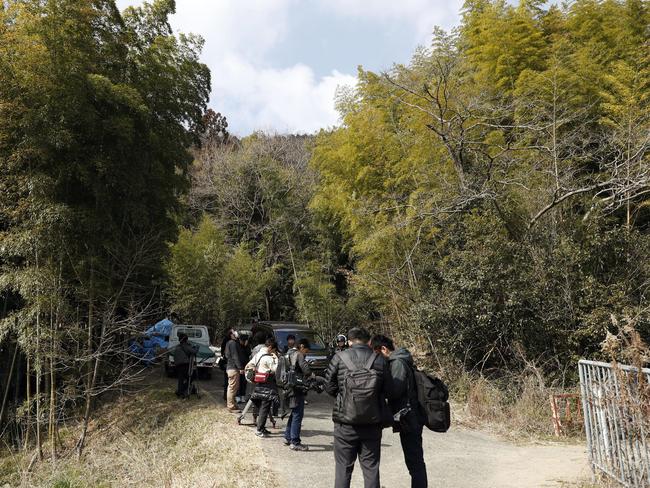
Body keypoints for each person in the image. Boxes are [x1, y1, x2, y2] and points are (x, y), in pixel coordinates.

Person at [325, 327, 387, 488]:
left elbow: (329, 387)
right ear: (368, 341)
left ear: (350, 341)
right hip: (372, 422)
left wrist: (346, 397)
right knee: (371, 469)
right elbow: (388, 389)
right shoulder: (379, 359)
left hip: (345, 423)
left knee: (343, 469)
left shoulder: (339, 357)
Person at [371, 334, 427, 488]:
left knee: (414, 460)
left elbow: (395, 391)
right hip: (411, 415)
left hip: (410, 417)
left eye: (376, 353)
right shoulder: (401, 359)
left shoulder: (397, 363)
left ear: (383, 349)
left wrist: (380, 388)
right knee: (414, 459)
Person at [283, 338, 313, 451]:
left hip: (288, 386)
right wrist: (311, 373)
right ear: (302, 346)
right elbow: (306, 371)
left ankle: (287, 437)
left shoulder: (288, 353)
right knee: (297, 415)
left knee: (294, 413)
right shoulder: (299, 354)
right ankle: (295, 442)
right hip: (297, 388)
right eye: (306, 350)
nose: (306, 353)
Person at [246, 338, 279, 437]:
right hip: (267, 383)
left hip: (258, 382)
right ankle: (259, 429)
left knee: (260, 405)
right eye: (274, 350)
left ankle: (262, 428)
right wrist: (276, 359)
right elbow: (275, 370)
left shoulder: (258, 354)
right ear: (270, 347)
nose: (274, 352)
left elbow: (250, 364)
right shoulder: (269, 358)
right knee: (265, 406)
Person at [172, 332, 198, 398]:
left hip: (177, 365)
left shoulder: (177, 346)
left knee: (181, 379)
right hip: (184, 364)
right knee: (191, 377)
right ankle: (181, 390)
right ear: (185, 340)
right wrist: (196, 347)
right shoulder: (185, 345)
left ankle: (180, 392)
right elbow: (194, 352)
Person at [225, 330, 245, 412]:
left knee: (234, 387)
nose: (236, 333)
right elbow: (235, 356)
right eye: (234, 332)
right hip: (233, 368)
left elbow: (227, 355)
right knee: (232, 388)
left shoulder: (229, 343)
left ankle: (233, 404)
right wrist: (240, 367)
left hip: (231, 367)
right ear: (231, 335)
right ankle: (231, 406)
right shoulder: (232, 343)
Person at [220, 328, 235, 402]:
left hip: (227, 361)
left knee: (227, 380)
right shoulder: (230, 342)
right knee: (229, 381)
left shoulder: (226, 340)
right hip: (229, 362)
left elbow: (222, 351)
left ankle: (226, 395)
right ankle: (227, 396)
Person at [237, 333, 251, 403]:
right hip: (239, 366)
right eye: (241, 340)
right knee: (238, 381)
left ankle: (242, 396)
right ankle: (237, 396)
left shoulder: (247, 346)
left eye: (244, 341)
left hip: (245, 366)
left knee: (244, 382)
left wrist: (246, 346)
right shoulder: (237, 345)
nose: (242, 342)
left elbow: (249, 353)